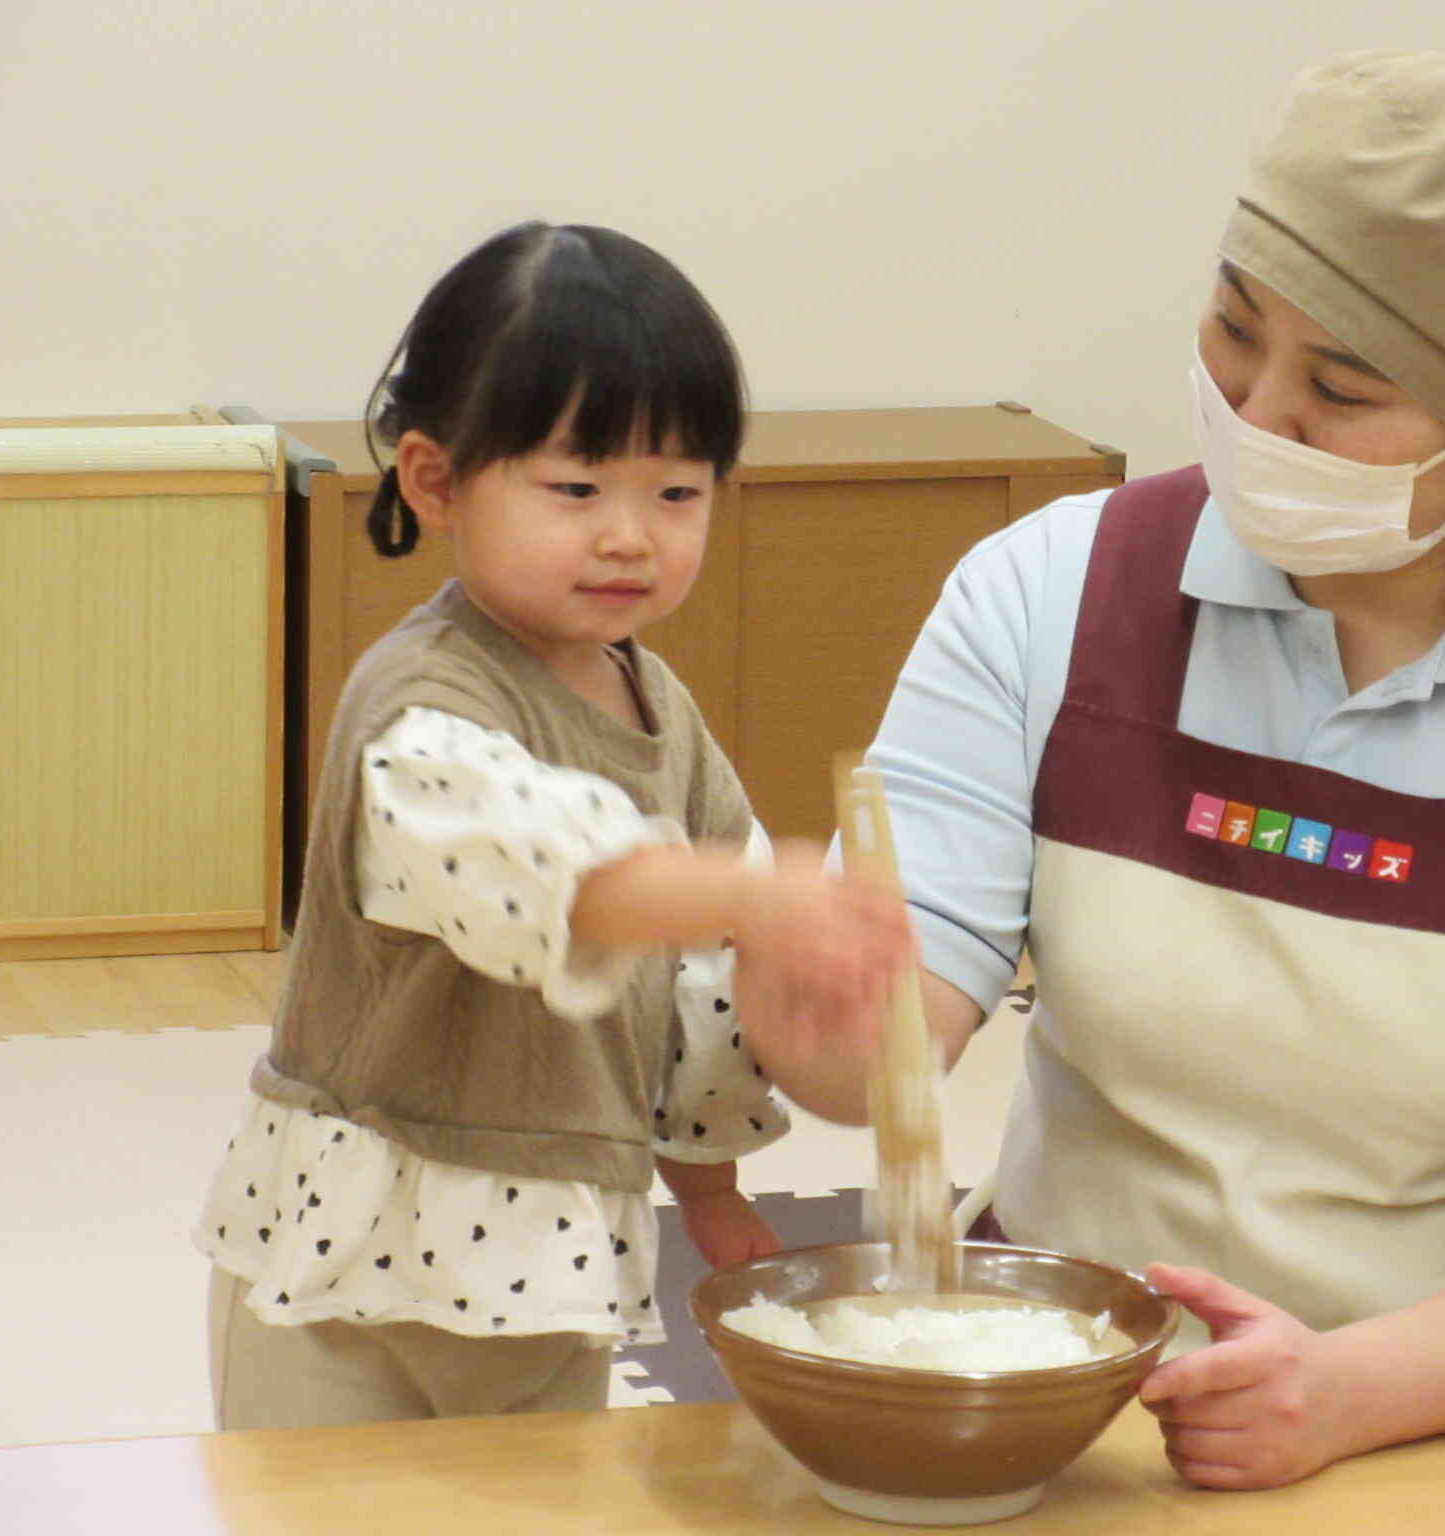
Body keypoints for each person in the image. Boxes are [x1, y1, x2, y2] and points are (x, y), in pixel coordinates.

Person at [767, 52, 1445, 1488]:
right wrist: (803, 990)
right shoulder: (1049, 594)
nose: (1259, 418)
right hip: (1057, 1396)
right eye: (1231, 328)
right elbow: (886, 1043)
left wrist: (1340, 1393)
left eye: (1341, 387)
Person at [194, 221, 910, 1430]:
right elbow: (562, 872)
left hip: (554, 1255)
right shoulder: (420, 701)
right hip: (349, 1263)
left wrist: (711, 1182)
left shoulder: (658, 707)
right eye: (576, 489)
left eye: (675, 491)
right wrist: (752, 896)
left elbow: (686, 993)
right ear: (435, 482)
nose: (630, 533)